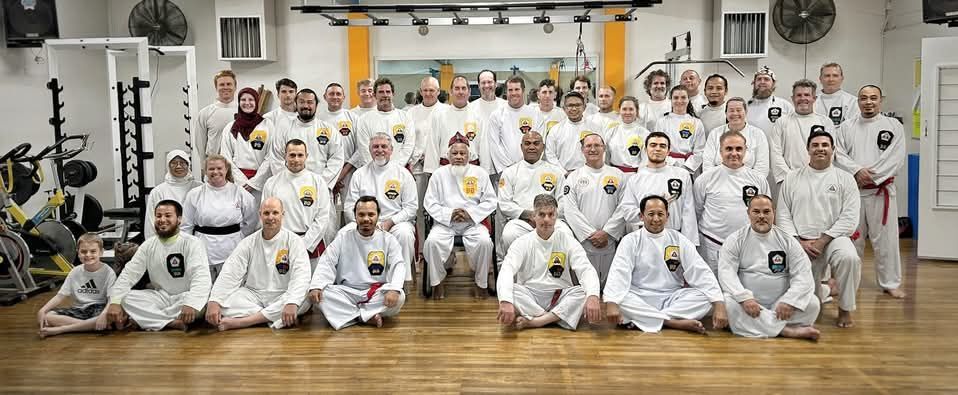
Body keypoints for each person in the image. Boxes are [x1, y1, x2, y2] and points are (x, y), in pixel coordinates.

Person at [604, 195, 727, 334]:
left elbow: (700, 271)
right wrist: (612, 302)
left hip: (672, 297)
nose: (656, 219)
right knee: (620, 302)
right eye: (651, 214)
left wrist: (719, 303)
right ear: (641, 216)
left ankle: (646, 319)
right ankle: (671, 322)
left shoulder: (678, 239)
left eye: (660, 214)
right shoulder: (630, 240)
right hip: (639, 296)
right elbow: (618, 273)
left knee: (705, 298)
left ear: (667, 216)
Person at [777, 130, 861, 328]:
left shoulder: (845, 178)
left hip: (834, 239)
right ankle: (822, 292)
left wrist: (823, 240)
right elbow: (783, 214)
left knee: (849, 257)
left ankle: (845, 309)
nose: (820, 149)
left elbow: (849, 217)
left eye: (825, 145)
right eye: (815, 145)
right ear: (808, 149)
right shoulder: (792, 178)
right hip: (801, 241)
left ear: (833, 149)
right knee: (810, 301)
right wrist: (798, 241)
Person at [834, 85, 906, 298]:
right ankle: (847, 282)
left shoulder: (893, 126)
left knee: (886, 240)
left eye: (873, 98)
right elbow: (838, 154)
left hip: (881, 192)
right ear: (858, 101)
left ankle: (890, 282)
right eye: (864, 98)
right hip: (854, 191)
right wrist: (856, 171)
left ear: (880, 100)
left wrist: (872, 177)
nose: (868, 102)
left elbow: (896, 157)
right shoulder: (846, 127)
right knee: (852, 239)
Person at [718, 194, 821, 340]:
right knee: (727, 303)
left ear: (774, 213)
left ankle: (756, 325)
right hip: (749, 303)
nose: (761, 216)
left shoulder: (788, 241)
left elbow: (803, 274)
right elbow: (726, 273)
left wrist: (789, 301)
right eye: (756, 212)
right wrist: (744, 298)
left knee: (813, 304)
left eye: (766, 212)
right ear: (748, 214)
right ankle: (786, 331)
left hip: (779, 304)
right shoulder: (735, 240)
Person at [496, 194, 602, 330]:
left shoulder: (567, 240)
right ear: (534, 216)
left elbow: (585, 269)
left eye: (551, 214)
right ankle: (554, 318)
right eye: (541, 214)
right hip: (530, 295)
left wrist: (593, 296)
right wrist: (505, 301)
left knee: (582, 293)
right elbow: (507, 270)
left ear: (556, 216)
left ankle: (536, 321)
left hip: (559, 295)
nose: (546, 219)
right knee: (511, 291)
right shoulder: (521, 242)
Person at [205, 198, 311, 331]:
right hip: (254, 294)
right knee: (224, 305)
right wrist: (215, 300)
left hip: (283, 293)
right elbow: (230, 272)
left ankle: (244, 322)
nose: (270, 217)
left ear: (283, 215)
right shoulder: (248, 242)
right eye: (266, 213)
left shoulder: (294, 241)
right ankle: (275, 316)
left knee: (304, 299)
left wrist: (291, 302)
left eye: (275, 213)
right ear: (260, 215)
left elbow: (301, 276)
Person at [106, 200, 212, 331]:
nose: (162, 219)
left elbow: (201, 278)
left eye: (168, 215)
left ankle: (150, 319)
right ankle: (171, 323)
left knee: (199, 307)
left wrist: (191, 303)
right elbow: (128, 274)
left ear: (179, 219)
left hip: (185, 297)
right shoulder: (148, 245)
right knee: (125, 299)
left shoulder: (193, 243)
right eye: (158, 216)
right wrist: (115, 302)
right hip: (161, 297)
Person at [308, 196, 407, 330]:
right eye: (361, 214)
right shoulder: (343, 237)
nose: (366, 219)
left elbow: (399, 265)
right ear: (355, 216)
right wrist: (316, 286)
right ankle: (365, 316)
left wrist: (394, 289)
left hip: (374, 293)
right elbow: (327, 262)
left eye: (371, 214)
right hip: (346, 292)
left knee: (399, 297)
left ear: (378, 215)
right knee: (320, 295)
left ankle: (350, 315)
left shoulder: (388, 240)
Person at [423, 134, 497, 298]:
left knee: (485, 242)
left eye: (462, 153)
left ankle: (481, 283)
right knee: (432, 242)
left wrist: (470, 214)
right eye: (454, 153)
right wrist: (450, 214)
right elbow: (429, 203)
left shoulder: (480, 173)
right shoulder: (438, 174)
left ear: (469, 156)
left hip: (472, 223)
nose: (458, 157)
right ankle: (437, 283)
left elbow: (491, 201)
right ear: (448, 156)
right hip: (445, 223)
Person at [343, 133, 418, 282]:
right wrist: (364, 221)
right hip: (365, 222)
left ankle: (400, 282)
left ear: (391, 150)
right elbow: (349, 206)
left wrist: (390, 222)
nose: (380, 150)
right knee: (344, 233)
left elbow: (411, 207)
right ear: (370, 150)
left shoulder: (403, 174)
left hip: (395, 222)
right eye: (375, 147)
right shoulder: (359, 174)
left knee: (405, 234)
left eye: (384, 146)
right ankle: (353, 279)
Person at [694, 131, 770, 273]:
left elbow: (766, 214)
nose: (734, 153)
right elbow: (697, 211)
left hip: (747, 246)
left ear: (745, 151)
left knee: (745, 292)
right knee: (715, 292)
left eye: (739, 149)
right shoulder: (705, 179)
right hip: (712, 245)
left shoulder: (758, 179)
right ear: (720, 151)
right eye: (729, 149)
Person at [560, 134, 626, 289]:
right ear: (582, 150)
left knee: (609, 288)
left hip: (610, 241)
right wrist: (590, 234)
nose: (593, 149)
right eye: (588, 146)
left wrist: (607, 233)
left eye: (597, 145)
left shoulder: (618, 175)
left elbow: (624, 207)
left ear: (604, 148)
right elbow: (570, 211)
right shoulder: (573, 177)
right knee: (586, 288)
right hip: (584, 243)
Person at [181, 154, 259, 281]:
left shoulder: (240, 193)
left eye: (219, 168)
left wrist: (237, 236)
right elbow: (186, 225)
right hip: (203, 247)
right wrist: (189, 250)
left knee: (229, 289)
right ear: (205, 171)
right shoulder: (195, 194)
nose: (215, 172)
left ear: (226, 170)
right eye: (211, 169)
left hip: (232, 247)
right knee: (204, 289)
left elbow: (251, 220)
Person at [262, 139, 332, 271]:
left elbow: (322, 217)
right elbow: (266, 217)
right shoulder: (272, 183)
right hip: (280, 244)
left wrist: (303, 245)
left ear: (307, 156)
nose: (296, 159)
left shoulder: (317, 182)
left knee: (309, 288)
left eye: (300, 155)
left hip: (310, 244)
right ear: (285, 156)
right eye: (292, 155)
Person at [498, 131, 570, 254]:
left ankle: (556, 270)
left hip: (550, 220)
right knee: (509, 234)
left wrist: (546, 216)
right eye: (527, 143)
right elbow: (504, 203)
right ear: (521, 147)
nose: (531, 147)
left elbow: (563, 201)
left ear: (543, 147)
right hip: (521, 222)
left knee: (565, 233)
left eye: (536, 143)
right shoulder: (510, 172)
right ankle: (519, 271)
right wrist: (528, 214)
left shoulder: (556, 172)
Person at [619, 132, 698, 244]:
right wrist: (650, 210)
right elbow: (627, 212)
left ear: (668, 150)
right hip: (645, 237)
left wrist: (690, 243)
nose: (657, 149)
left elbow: (688, 211)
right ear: (646, 149)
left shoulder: (682, 175)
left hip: (674, 236)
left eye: (662, 146)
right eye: (653, 145)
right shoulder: (635, 179)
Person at [36, 233, 116, 337]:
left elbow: (111, 299)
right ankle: (90, 326)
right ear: (78, 253)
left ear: (101, 252)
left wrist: (104, 314)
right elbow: (60, 296)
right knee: (48, 316)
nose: (88, 255)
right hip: (79, 309)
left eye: (93, 251)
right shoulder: (75, 271)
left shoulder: (109, 272)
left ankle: (62, 329)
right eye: (83, 251)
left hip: (98, 308)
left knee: (107, 317)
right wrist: (43, 309)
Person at [265, 88, 344, 191]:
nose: (306, 106)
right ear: (295, 104)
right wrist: (291, 182)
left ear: (316, 105)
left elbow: (337, 158)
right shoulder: (283, 129)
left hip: (319, 188)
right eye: (301, 102)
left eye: (310, 102)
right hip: (289, 188)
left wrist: (319, 183)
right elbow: (276, 158)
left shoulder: (328, 130)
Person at [407, 76, 447, 261]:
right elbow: (408, 140)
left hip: (441, 169)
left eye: (433, 90)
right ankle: (422, 249)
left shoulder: (447, 111)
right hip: (417, 167)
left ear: (438, 92)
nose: (429, 93)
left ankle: (442, 251)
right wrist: (418, 157)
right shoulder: (411, 113)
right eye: (426, 90)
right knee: (419, 209)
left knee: (439, 208)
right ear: (420, 91)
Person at [769, 79, 835, 187]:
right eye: (799, 95)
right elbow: (775, 153)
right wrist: (789, 178)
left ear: (814, 98)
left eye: (807, 95)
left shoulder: (825, 122)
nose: (803, 98)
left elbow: (830, 153)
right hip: (789, 181)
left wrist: (818, 175)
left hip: (819, 181)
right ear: (793, 98)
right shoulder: (781, 122)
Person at [349, 78, 417, 176]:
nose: (385, 95)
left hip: (398, 172)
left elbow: (408, 146)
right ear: (374, 95)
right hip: (372, 174)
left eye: (388, 92)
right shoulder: (364, 119)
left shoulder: (405, 117)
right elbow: (364, 149)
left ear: (393, 94)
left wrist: (393, 169)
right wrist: (377, 170)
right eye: (381, 92)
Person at [220, 87, 274, 202]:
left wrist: (254, 182)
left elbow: (271, 155)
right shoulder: (230, 128)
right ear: (239, 103)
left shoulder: (267, 125)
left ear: (256, 102)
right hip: (237, 184)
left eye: (251, 100)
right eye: (243, 100)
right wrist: (241, 182)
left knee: (260, 216)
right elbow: (226, 157)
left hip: (261, 184)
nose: (247, 103)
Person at [425, 75, 482, 173]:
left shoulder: (478, 115)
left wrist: (483, 171)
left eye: (463, 88)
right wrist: (431, 171)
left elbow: (483, 147)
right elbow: (433, 145)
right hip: (445, 170)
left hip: (472, 171)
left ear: (469, 92)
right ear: (451, 92)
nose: (460, 92)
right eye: (457, 88)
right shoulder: (439, 115)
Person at [702, 97, 770, 176]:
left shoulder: (758, 134)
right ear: (726, 113)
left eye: (739, 110)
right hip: (718, 182)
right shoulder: (715, 133)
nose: (735, 113)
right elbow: (707, 164)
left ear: (746, 112)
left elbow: (762, 168)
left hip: (748, 183)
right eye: (731, 110)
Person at [487, 76, 539, 175]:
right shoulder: (496, 115)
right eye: (510, 90)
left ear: (523, 91)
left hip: (531, 170)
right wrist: (508, 168)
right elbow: (494, 145)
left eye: (517, 89)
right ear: (506, 92)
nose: (514, 93)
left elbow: (539, 143)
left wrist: (528, 166)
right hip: (505, 171)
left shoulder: (535, 115)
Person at [144, 150, 202, 239]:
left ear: (188, 165)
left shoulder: (199, 187)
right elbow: (151, 221)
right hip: (168, 238)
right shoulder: (158, 191)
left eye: (182, 162)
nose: (178, 166)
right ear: (168, 165)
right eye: (174, 163)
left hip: (196, 238)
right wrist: (152, 243)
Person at [654, 85, 707, 173]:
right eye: (676, 97)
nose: (679, 101)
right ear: (671, 100)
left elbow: (700, 150)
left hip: (689, 168)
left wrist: (686, 167)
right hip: (667, 166)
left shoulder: (696, 122)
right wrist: (673, 163)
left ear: (688, 99)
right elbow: (657, 146)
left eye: (683, 97)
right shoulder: (661, 122)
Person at [544, 92, 601, 173]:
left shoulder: (595, 129)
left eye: (578, 105)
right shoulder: (555, 130)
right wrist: (564, 173)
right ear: (564, 108)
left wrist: (588, 172)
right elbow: (550, 155)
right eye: (570, 105)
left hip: (589, 175)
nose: (574, 109)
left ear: (584, 107)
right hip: (562, 176)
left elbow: (600, 152)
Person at [469, 70, 506, 176]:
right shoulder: (471, 108)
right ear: (478, 85)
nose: (486, 85)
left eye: (489, 82)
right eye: (483, 82)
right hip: (478, 166)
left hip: (502, 166)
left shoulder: (505, 107)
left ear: (495, 83)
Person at [605, 96, 651, 181]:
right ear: (620, 111)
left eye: (631, 109)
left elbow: (645, 160)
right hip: (613, 176)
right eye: (624, 109)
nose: (627, 112)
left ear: (636, 111)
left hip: (634, 176)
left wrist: (638, 177)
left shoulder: (644, 134)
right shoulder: (612, 132)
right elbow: (606, 156)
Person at [197, 70, 238, 159]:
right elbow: (200, 144)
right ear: (216, 87)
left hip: (238, 165)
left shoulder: (244, 112)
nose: (225, 87)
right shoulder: (205, 113)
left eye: (229, 84)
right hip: (215, 164)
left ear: (235, 87)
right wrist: (203, 166)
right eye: (222, 84)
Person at [747, 66, 794, 138]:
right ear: (754, 83)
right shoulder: (746, 107)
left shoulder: (785, 106)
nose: (762, 82)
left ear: (773, 84)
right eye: (759, 79)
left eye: (766, 79)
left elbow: (793, 132)